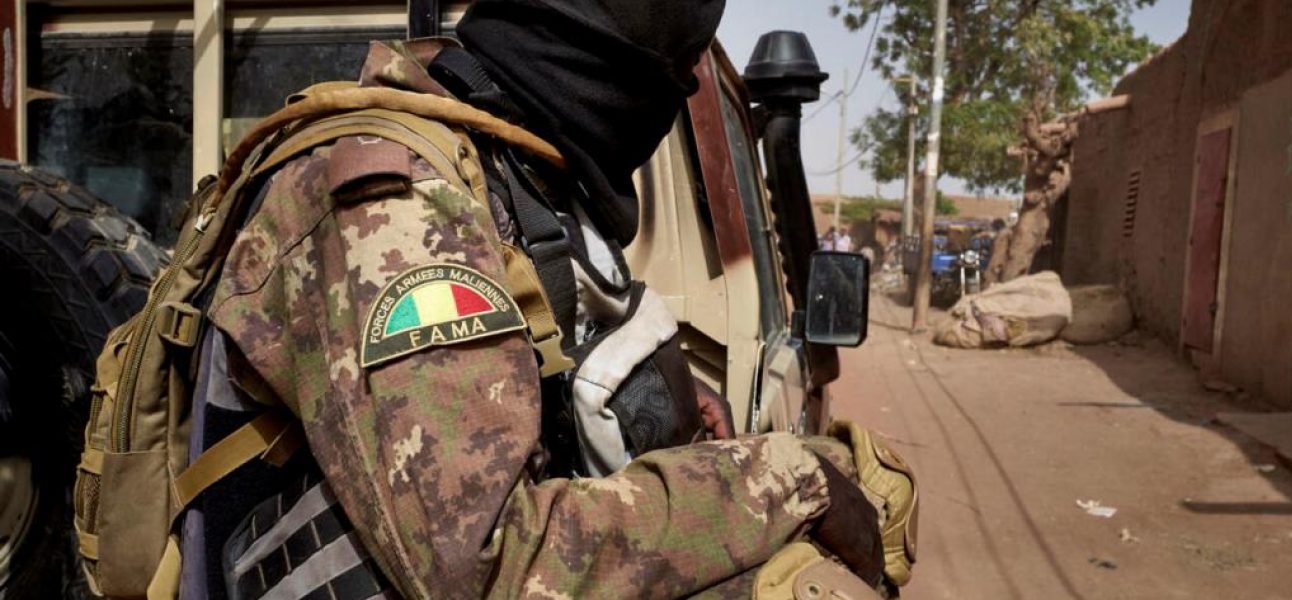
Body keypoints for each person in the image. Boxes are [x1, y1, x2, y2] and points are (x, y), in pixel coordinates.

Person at [185, 1, 914, 598]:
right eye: (679, 73)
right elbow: (482, 564)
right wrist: (781, 480)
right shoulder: (402, 206)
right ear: (614, 67)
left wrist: (672, 406)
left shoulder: (508, 166)